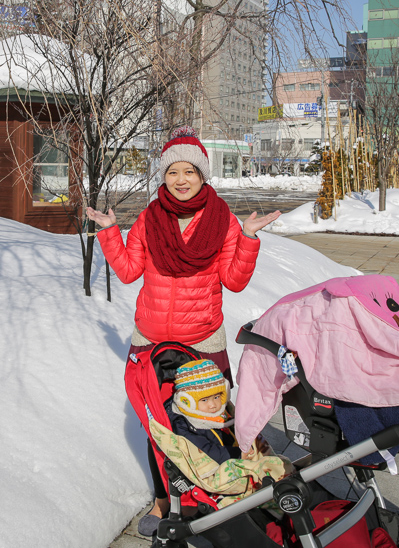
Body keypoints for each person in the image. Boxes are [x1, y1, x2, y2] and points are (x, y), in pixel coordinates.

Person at [85, 126, 280, 536]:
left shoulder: (222, 220)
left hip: (202, 342)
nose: (181, 179)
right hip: (152, 344)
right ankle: (165, 503)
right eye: (172, 171)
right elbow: (127, 271)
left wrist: (246, 239)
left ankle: (224, 495)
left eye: (189, 170)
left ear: (202, 174)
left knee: (213, 425)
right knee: (161, 431)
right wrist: (108, 232)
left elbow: (235, 280)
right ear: (163, 176)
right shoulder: (149, 219)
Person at [167, 359, 240, 465]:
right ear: (188, 402)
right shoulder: (184, 424)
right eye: (204, 400)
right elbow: (207, 452)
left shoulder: (222, 413)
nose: (213, 405)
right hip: (217, 466)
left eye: (216, 397)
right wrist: (238, 454)